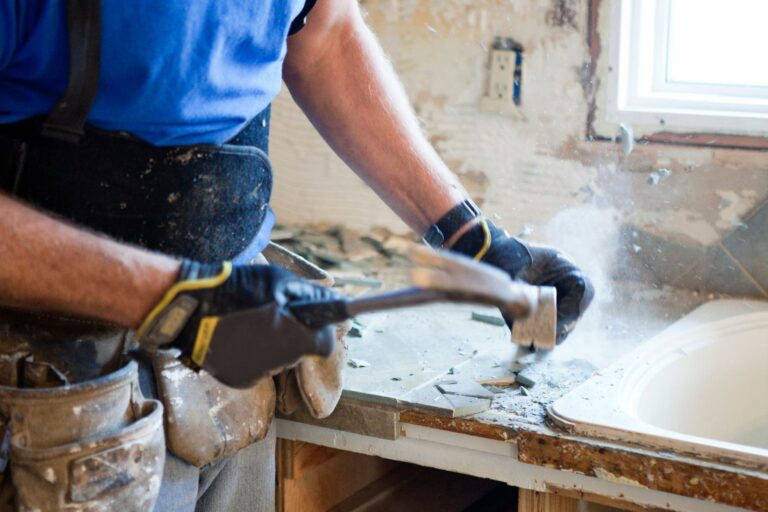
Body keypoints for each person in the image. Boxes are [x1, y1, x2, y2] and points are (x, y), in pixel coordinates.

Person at [0, 0, 594, 510]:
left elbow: (322, 34)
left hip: (227, 360)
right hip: (55, 385)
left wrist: (474, 238)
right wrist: (169, 297)